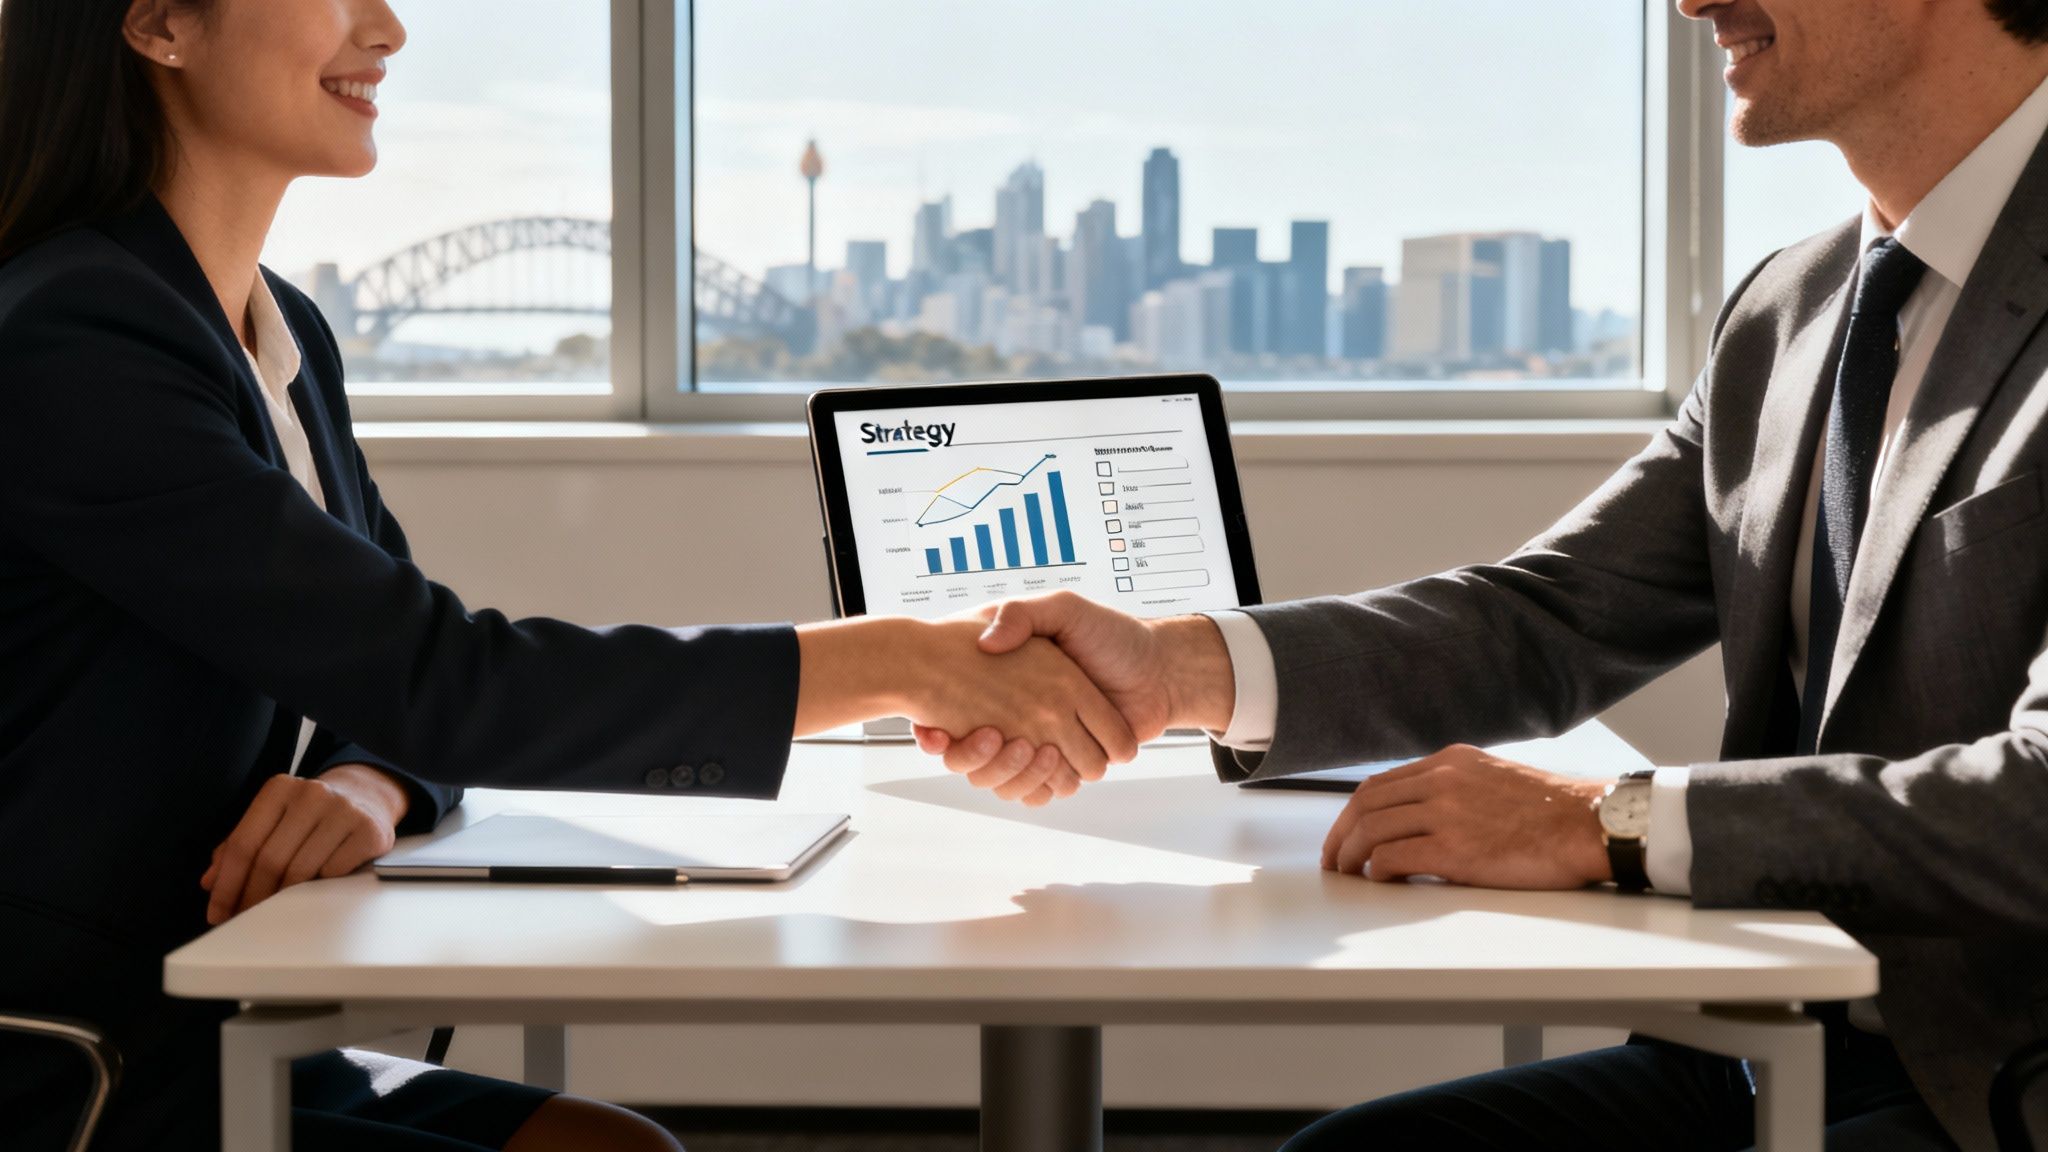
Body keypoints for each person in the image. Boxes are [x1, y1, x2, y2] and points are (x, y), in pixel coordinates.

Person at [0, 1, 1138, 1149]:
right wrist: (898, 662)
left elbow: (384, 660)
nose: (387, 29)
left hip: (211, 1029)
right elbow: (447, 678)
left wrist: (370, 786)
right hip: (81, 1064)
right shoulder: (77, 339)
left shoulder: (272, 327)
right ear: (158, 27)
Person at [927, 0, 2048, 1146]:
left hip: (1991, 1082)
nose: (1689, 0)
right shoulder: (1789, 310)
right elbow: (1551, 617)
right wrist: (1177, 668)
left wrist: (1607, 824)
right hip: (1765, 1040)